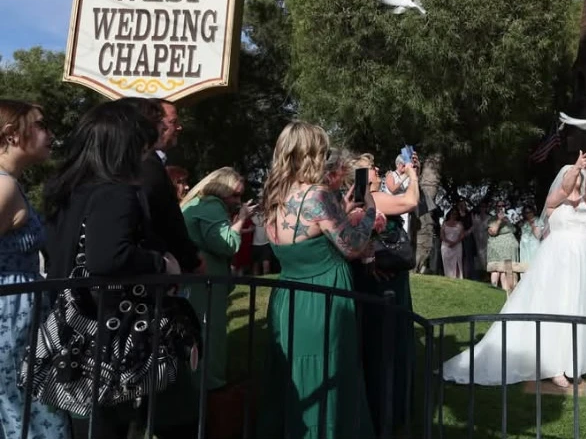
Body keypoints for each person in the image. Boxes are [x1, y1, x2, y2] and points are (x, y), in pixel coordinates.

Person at [43, 101, 183, 438]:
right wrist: (161, 264)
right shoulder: (116, 193)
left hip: (70, 330)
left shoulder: (68, 190)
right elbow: (108, 258)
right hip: (108, 337)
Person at [256, 122, 376, 438]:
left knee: (291, 373)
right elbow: (352, 247)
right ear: (312, 153)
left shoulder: (272, 195)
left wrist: (343, 210)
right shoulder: (318, 195)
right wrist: (368, 216)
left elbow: (302, 237)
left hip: (288, 298)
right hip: (324, 297)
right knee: (330, 373)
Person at [443, 151, 586, 388]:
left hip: (582, 263)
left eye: (578, 173)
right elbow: (565, 189)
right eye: (570, 173)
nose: (576, 175)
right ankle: (553, 365)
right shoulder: (556, 199)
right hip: (558, 261)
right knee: (557, 307)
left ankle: (572, 362)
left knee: (576, 307)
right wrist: (576, 166)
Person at [0, 100, 70, 439]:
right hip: (9, 320)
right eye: (40, 125)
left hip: (19, 315)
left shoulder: (10, 183)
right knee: (27, 415)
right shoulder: (4, 186)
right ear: (12, 135)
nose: (50, 134)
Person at [349, 152, 419, 436]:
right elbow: (411, 201)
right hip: (381, 279)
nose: (377, 169)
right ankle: (385, 404)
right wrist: (413, 174)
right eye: (371, 167)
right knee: (383, 340)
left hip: (386, 273)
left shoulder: (369, 198)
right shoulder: (373, 199)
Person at [180, 167, 254, 390]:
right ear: (220, 191)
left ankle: (194, 386)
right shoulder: (212, 205)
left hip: (195, 283)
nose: (238, 201)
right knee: (211, 334)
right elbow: (225, 243)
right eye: (235, 195)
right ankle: (212, 387)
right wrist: (241, 220)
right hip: (206, 286)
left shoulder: (196, 204)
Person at [122, 98, 203, 275]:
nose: (179, 128)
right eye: (173, 122)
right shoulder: (147, 166)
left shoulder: (149, 163)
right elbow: (166, 221)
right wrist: (191, 261)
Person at [486, 201, 519, 291]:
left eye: (503, 205)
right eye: (499, 206)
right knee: (496, 269)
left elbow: (514, 229)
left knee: (508, 269)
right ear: (496, 207)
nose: (501, 207)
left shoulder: (509, 218)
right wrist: (499, 220)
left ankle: (509, 290)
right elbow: (493, 232)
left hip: (510, 248)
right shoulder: (492, 219)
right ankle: (494, 289)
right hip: (497, 248)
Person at [440, 207, 466, 278]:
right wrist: (449, 242)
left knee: (457, 262)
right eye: (452, 214)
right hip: (446, 246)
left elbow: (462, 235)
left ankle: (457, 277)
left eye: (455, 214)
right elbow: (442, 235)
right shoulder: (444, 223)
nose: (453, 215)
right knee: (447, 262)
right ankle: (448, 277)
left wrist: (455, 242)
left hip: (457, 245)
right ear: (449, 214)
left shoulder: (459, 224)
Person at [518, 205, 544, 269]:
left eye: (530, 212)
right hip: (524, 246)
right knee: (525, 264)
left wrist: (532, 225)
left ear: (533, 212)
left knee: (535, 263)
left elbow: (538, 236)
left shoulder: (538, 220)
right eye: (526, 213)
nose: (529, 214)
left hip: (534, 245)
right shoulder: (524, 222)